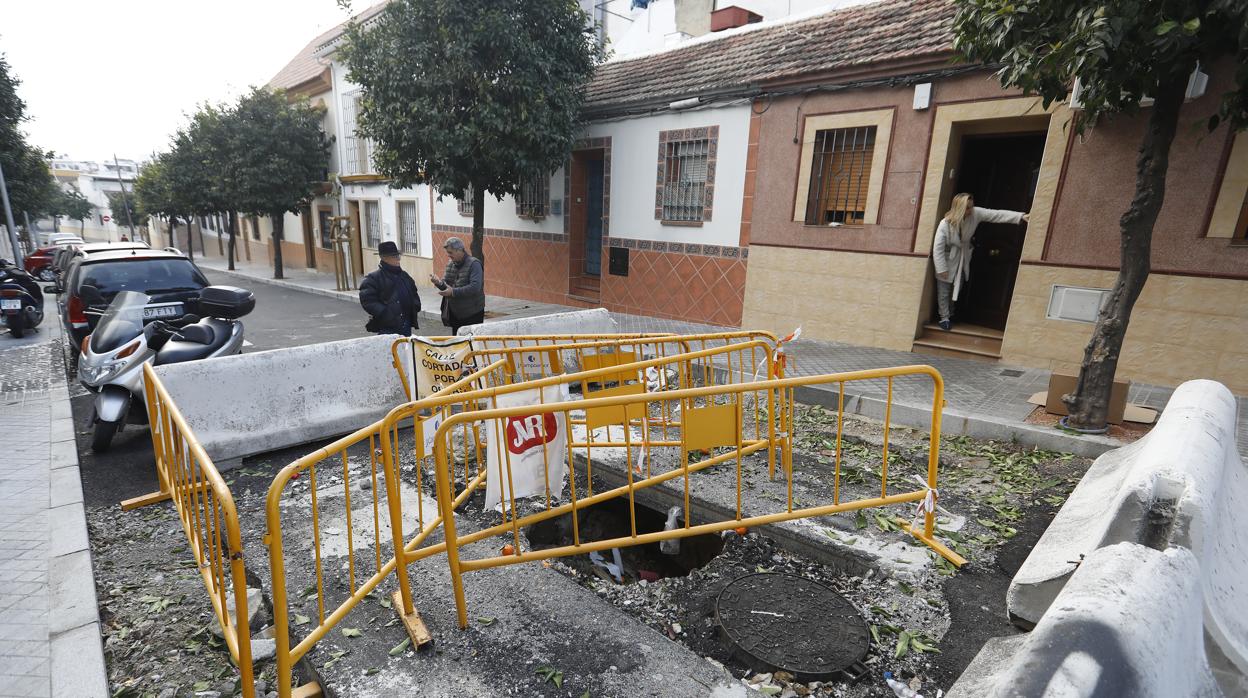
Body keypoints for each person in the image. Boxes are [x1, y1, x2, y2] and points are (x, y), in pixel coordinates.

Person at [931, 193, 1029, 330]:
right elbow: (938, 248)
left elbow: (995, 215)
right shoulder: (945, 224)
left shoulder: (975, 214)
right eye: (967, 208)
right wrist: (941, 268)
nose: (970, 210)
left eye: (971, 207)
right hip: (948, 259)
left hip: (962, 258)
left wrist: (1020, 216)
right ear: (959, 208)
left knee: (957, 288)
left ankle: (951, 313)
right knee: (944, 290)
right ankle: (944, 317)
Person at [359, 241, 421, 336]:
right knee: (389, 350)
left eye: (398, 256)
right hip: (387, 327)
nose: (398, 259)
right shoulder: (374, 278)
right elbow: (367, 300)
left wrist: (415, 306)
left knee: (406, 350)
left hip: (406, 324)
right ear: (384, 258)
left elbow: (414, 293)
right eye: (394, 256)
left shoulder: (404, 275)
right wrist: (385, 313)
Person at [429, 237, 484, 335]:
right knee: (457, 342)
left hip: (472, 313)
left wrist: (453, 292)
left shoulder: (474, 264)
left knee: (471, 344)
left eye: (450, 252)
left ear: (459, 250)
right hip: (455, 313)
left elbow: (475, 287)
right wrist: (438, 283)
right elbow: (446, 286)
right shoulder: (451, 264)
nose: (448, 255)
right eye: (447, 252)